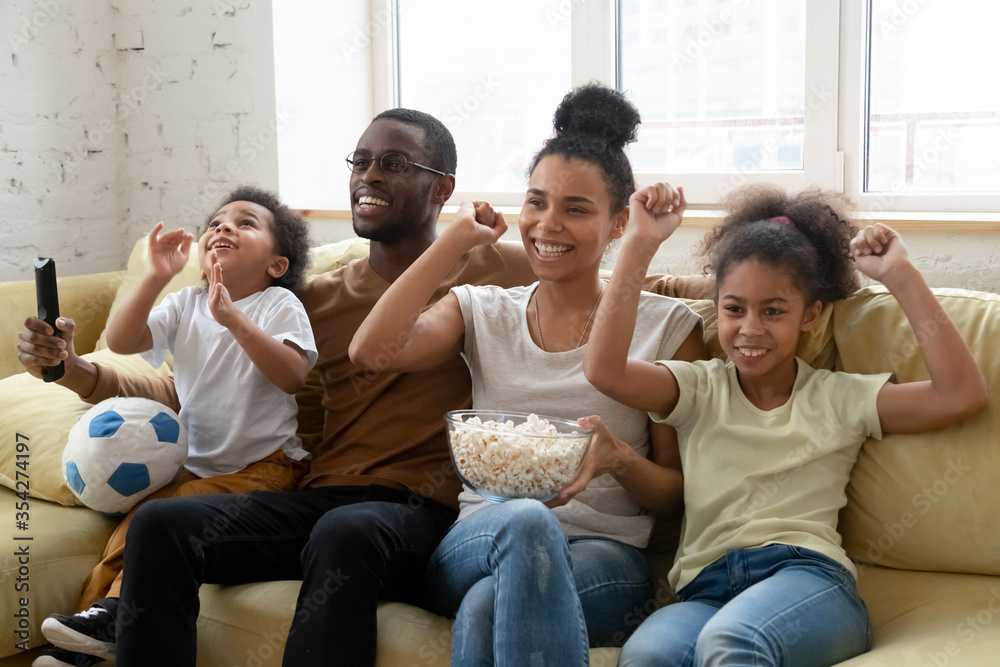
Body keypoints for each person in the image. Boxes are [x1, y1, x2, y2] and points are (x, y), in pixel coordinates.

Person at [350, 84, 708, 665]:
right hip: (477, 539)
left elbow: (674, 496)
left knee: (488, 608)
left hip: (606, 555)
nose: (548, 224)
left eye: (576, 209)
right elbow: (372, 351)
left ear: (620, 224)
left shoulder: (668, 327)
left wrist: (617, 457)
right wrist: (455, 244)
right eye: (536, 202)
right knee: (523, 519)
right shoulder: (484, 310)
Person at [583, 182, 989, 666]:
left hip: (807, 580)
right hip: (705, 589)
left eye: (773, 311)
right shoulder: (699, 389)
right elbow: (604, 370)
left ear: (810, 315)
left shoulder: (837, 396)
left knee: (732, 642)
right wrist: (641, 242)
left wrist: (900, 276)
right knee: (648, 655)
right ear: (718, 307)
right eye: (734, 309)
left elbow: (959, 394)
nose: (750, 328)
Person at [36, 185, 317, 667]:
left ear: (277, 264)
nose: (223, 227)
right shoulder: (188, 301)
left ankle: (117, 616)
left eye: (245, 223)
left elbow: (292, 375)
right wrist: (155, 277)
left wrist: (233, 320)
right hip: (195, 468)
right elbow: (124, 341)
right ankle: (92, 633)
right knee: (130, 533)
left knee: (172, 512)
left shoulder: (277, 306)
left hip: (268, 470)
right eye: (216, 223)